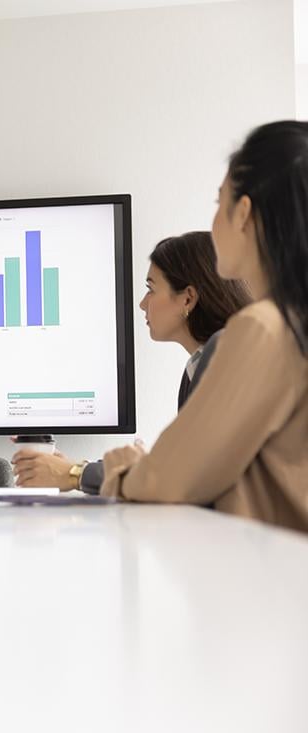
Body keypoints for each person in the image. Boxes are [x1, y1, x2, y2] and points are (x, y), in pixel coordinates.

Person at [100, 121, 308, 528]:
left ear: (243, 213)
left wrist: (121, 472)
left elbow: (168, 477)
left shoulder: (264, 328)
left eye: (218, 202)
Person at [13, 232, 251, 492]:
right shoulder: (197, 367)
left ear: (187, 298)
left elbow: (182, 475)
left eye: (151, 289)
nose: (142, 303)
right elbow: (176, 467)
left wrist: (74, 473)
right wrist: (70, 469)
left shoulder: (226, 357)